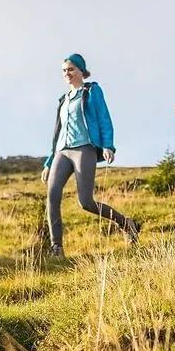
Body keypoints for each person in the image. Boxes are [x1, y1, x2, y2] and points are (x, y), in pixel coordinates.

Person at [41, 53, 140, 258]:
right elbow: (57, 132)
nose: (67, 73)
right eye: (64, 71)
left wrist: (108, 145)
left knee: (85, 202)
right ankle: (56, 247)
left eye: (70, 69)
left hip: (84, 148)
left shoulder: (92, 90)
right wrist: (49, 161)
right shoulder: (63, 100)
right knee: (52, 195)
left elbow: (104, 117)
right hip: (62, 151)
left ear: (80, 71)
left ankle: (126, 224)